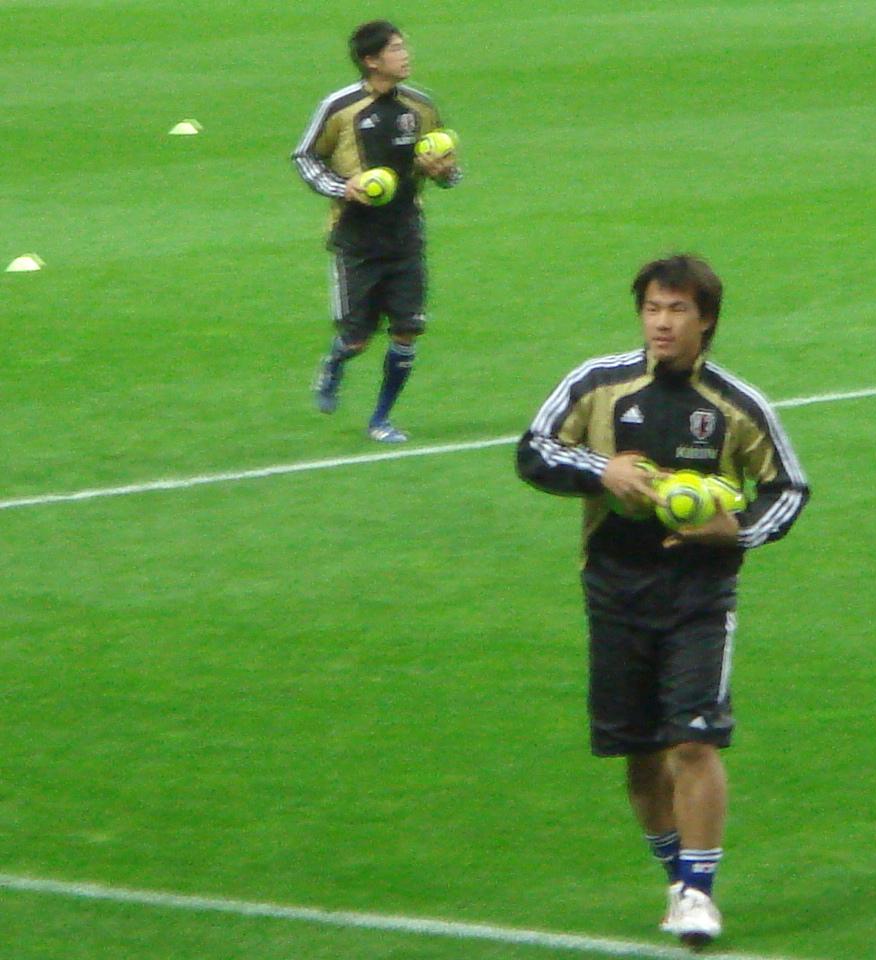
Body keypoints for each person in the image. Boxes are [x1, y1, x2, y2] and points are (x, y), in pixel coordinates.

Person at [516, 254, 809, 947]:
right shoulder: (597, 384)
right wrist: (603, 469)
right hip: (614, 589)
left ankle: (700, 894)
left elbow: (788, 489)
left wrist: (735, 529)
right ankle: (678, 877)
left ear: (706, 320)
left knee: (694, 741)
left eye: (677, 310)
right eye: (652, 308)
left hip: (699, 593)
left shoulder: (737, 406)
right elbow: (533, 451)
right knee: (640, 752)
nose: (662, 323)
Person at [292, 20, 461, 443]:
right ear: (371, 60)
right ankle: (334, 364)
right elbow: (305, 157)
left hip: (406, 236)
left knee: (407, 332)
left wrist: (443, 172)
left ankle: (381, 419)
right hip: (356, 239)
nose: (406, 55)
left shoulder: (421, 106)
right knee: (357, 340)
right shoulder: (340, 107)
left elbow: (448, 166)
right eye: (396, 49)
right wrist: (342, 188)